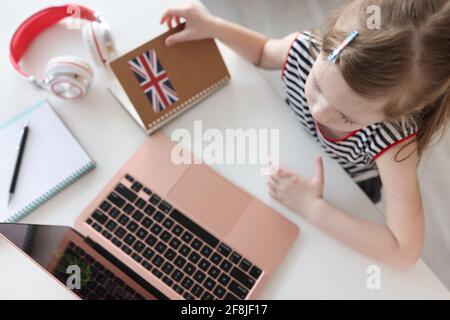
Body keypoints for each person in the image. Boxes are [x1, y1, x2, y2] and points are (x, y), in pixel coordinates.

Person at [160, 0, 450, 268]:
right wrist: (213, 26)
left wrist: (312, 208)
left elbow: (403, 249)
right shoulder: (303, 50)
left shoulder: (394, 142)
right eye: (319, 87)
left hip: (345, 190)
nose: (320, 111)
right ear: (324, 46)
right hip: (287, 158)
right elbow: (263, 52)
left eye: (346, 117)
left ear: (395, 116)